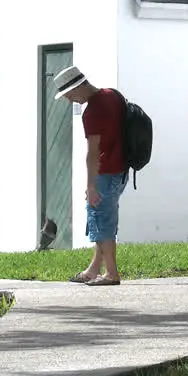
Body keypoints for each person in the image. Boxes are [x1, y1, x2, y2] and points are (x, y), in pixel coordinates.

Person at [54, 65, 129, 286]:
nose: (69, 100)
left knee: (101, 222)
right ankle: (93, 269)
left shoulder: (92, 111)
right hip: (121, 169)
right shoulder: (112, 95)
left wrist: (90, 185)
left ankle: (112, 273)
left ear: (78, 87)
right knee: (104, 219)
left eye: (69, 95)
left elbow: (93, 152)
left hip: (104, 172)